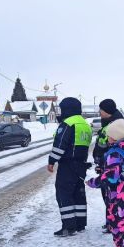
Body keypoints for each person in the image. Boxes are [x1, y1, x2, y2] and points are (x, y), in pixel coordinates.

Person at [86, 119, 124, 247]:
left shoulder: (115, 153)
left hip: (119, 191)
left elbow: (112, 177)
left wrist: (93, 182)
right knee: (119, 221)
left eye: (109, 136)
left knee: (118, 223)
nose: (107, 138)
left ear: (116, 136)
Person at [48, 97, 92, 236]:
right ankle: (80, 224)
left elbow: (60, 145)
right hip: (81, 165)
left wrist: (52, 161)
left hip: (67, 165)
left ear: (67, 109)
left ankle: (68, 226)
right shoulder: (85, 124)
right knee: (78, 194)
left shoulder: (68, 123)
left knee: (64, 193)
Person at [94, 99, 124, 234]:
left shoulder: (115, 125)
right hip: (105, 164)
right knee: (107, 196)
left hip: (111, 166)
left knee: (111, 196)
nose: (99, 112)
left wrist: (103, 161)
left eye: (101, 110)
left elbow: (111, 146)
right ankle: (110, 222)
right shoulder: (109, 122)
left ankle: (114, 224)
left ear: (107, 111)